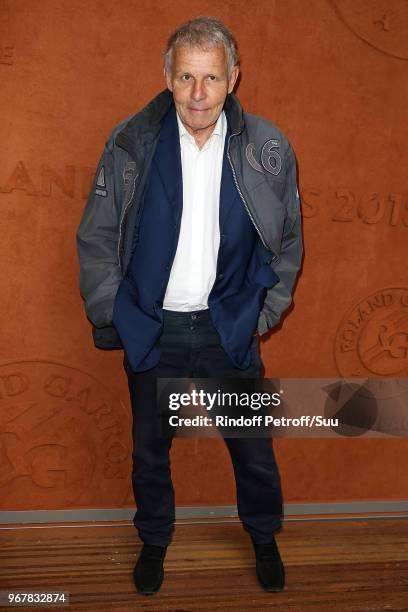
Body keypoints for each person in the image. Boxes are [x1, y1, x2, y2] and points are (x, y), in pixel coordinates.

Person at [76, 16, 303, 596]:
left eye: (211, 77)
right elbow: (98, 233)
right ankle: (154, 539)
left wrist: (264, 312)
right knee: (150, 452)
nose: (199, 94)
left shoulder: (268, 148)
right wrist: (113, 311)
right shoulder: (130, 142)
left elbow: (289, 240)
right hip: (153, 329)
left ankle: (262, 536)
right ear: (168, 78)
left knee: (252, 451)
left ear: (233, 79)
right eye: (186, 78)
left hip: (229, 327)